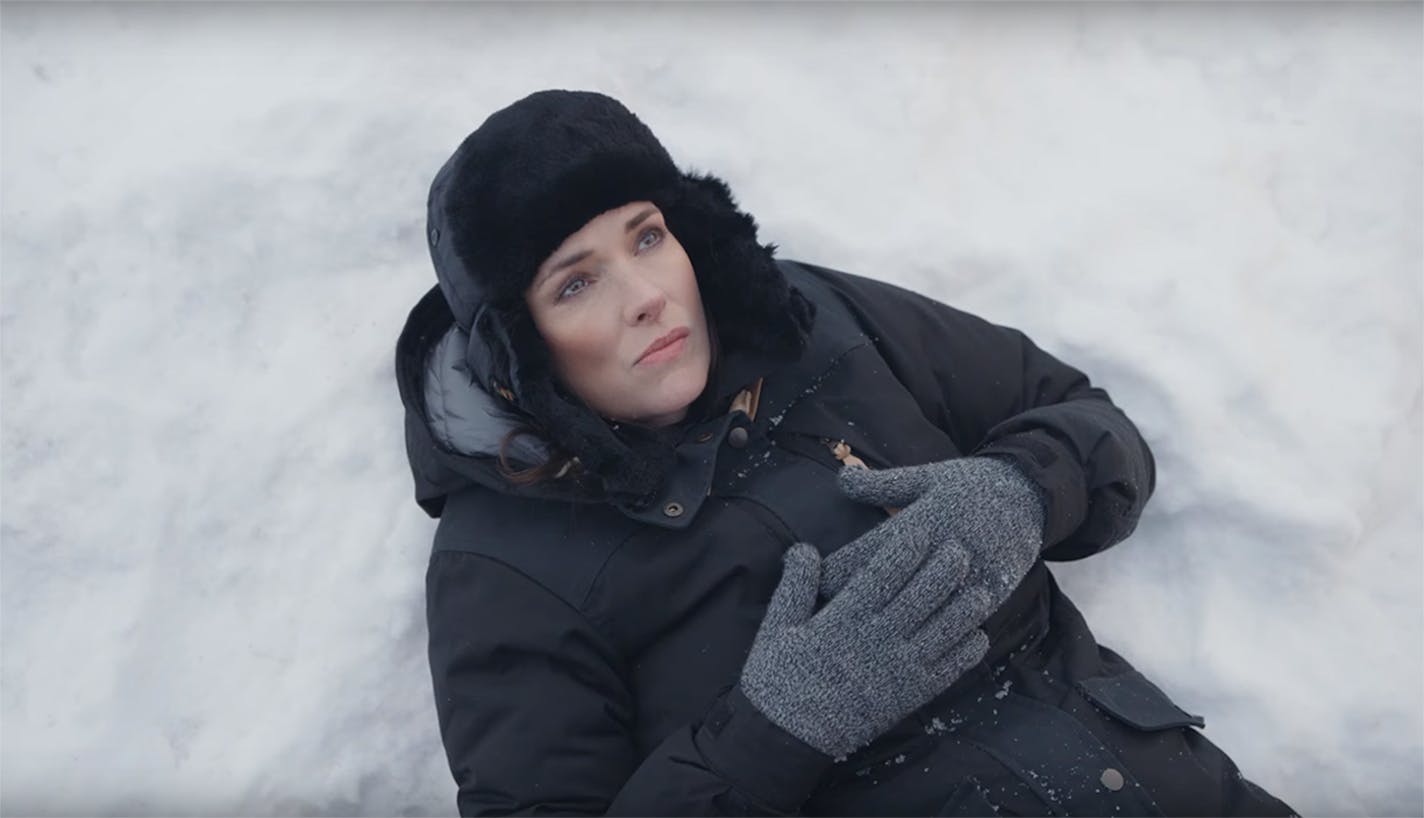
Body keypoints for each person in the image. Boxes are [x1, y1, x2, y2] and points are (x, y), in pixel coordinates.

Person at [394, 89, 1296, 817]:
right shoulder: (503, 563)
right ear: (520, 347)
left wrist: (1019, 492)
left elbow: (1084, 420)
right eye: (578, 281)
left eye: (648, 236)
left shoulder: (813, 319)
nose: (646, 297)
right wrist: (778, 728)